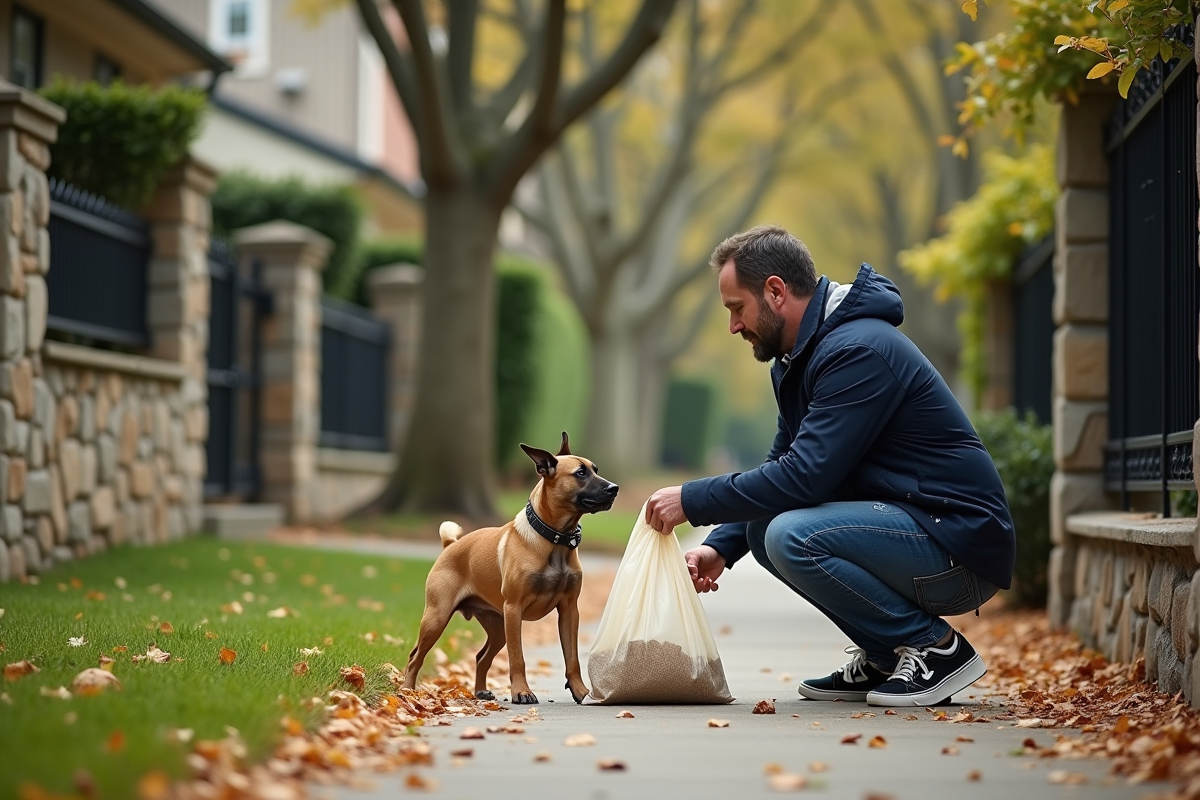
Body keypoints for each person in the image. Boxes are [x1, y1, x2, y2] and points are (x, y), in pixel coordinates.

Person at [645, 225, 1014, 707]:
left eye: (737, 308)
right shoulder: (799, 358)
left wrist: (692, 500)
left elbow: (806, 476)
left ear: (775, 291)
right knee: (762, 532)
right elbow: (785, 463)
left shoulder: (857, 350)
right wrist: (722, 545)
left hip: (956, 546)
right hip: (913, 533)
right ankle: (885, 653)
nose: (734, 325)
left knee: (790, 535)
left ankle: (935, 648)